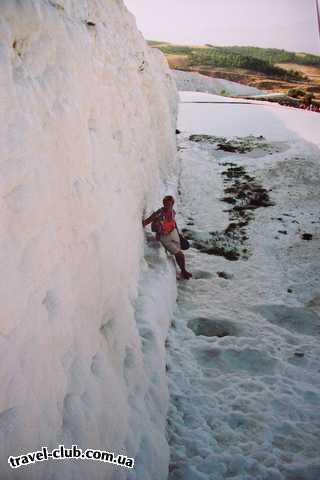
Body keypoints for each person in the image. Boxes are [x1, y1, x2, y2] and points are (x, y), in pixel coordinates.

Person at [142, 195, 192, 279]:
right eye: (165, 204)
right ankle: (183, 271)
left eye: (169, 204)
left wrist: (179, 234)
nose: (167, 206)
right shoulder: (159, 213)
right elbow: (146, 222)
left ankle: (182, 269)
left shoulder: (173, 212)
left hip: (173, 232)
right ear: (163, 204)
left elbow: (174, 222)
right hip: (164, 236)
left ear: (172, 204)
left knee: (181, 250)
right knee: (180, 254)